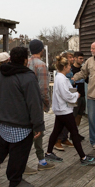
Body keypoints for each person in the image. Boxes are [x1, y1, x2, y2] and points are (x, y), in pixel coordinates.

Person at [0, 46, 45, 187]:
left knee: (1, 146)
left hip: (2, 118)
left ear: (10, 58)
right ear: (25, 60)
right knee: (19, 153)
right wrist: (38, 125)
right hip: (20, 121)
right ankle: (15, 180)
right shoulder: (28, 77)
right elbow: (34, 103)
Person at [45, 54, 95, 166]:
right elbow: (66, 95)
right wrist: (76, 95)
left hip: (60, 110)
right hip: (64, 110)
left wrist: (72, 93)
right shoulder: (61, 79)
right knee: (74, 133)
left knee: (56, 131)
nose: (70, 67)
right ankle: (83, 157)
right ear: (64, 67)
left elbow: (65, 92)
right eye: (69, 65)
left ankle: (49, 153)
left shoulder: (60, 78)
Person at [27, 39, 54, 172]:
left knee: (26, 132)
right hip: (36, 104)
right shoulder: (41, 65)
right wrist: (47, 104)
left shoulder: (25, 62)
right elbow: (44, 88)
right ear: (41, 50)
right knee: (39, 132)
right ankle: (41, 161)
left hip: (24, 103)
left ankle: (23, 161)